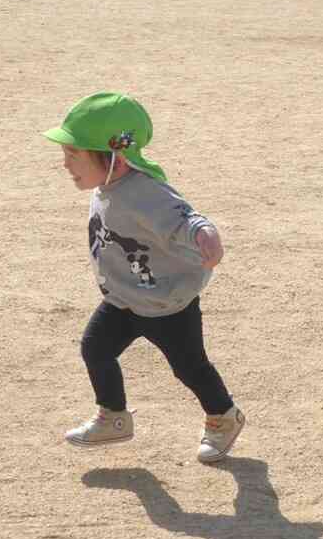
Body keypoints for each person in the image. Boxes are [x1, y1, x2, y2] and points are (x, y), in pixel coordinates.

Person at [43, 92, 247, 462]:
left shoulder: (145, 192)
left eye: (74, 155)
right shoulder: (108, 185)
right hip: (123, 298)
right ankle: (113, 417)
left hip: (167, 304)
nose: (64, 164)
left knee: (189, 367)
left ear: (115, 159)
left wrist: (206, 236)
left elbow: (185, 218)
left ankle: (224, 417)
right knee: (96, 348)